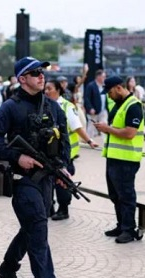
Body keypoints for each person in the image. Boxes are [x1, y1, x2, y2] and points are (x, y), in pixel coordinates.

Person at [0, 56, 72, 278]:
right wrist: (18, 156)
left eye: (42, 72)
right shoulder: (10, 108)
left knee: (32, 228)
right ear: (22, 79)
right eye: (35, 73)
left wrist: (64, 167)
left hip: (46, 179)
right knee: (37, 228)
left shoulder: (53, 107)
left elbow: (64, 139)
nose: (41, 76)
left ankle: (8, 267)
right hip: (23, 181)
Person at [93, 76, 145, 244]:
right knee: (115, 195)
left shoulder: (134, 105)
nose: (108, 96)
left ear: (118, 88)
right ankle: (121, 225)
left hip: (127, 159)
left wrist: (107, 129)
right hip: (114, 158)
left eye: (109, 92)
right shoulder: (118, 105)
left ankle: (129, 230)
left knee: (126, 195)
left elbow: (130, 132)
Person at [44, 79, 98, 221]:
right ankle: (49, 207)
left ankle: (63, 209)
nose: (46, 91)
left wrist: (89, 140)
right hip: (47, 153)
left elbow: (77, 127)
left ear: (58, 90)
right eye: (45, 89)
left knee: (62, 182)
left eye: (49, 88)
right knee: (47, 181)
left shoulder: (67, 106)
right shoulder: (43, 105)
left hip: (64, 155)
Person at [84, 69, 108, 138]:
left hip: (103, 110)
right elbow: (87, 98)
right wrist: (90, 108)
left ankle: (105, 142)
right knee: (91, 126)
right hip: (94, 110)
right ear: (98, 77)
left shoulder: (104, 86)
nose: (104, 78)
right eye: (103, 77)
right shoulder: (91, 85)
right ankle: (89, 140)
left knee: (104, 125)